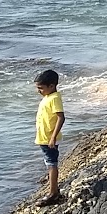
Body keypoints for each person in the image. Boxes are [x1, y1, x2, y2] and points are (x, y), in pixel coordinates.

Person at [33, 69, 65, 205]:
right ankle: (53, 188)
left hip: (49, 138)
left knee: (52, 164)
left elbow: (61, 117)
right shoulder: (48, 97)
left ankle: (53, 193)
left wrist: (53, 137)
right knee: (49, 163)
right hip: (44, 137)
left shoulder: (55, 98)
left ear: (51, 86)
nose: (38, 91)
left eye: (41, 88)